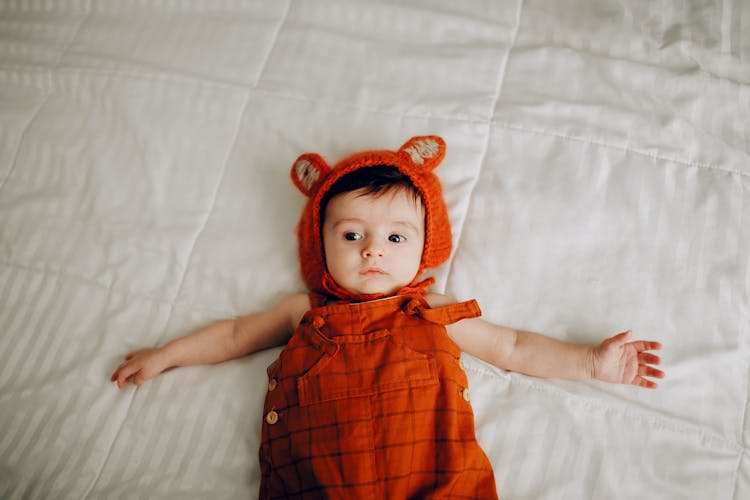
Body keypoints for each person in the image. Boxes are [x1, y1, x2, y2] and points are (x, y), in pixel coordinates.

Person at [111, 136, 664, 499]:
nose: (372, 250)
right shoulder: (304, 311)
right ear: (318, 246)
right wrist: (167, 355)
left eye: (395, 237)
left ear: (424, 249)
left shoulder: (434, 310)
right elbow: (234, 335)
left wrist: (590, 362)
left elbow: (514, 347)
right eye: (352, 235)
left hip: (433, 481)